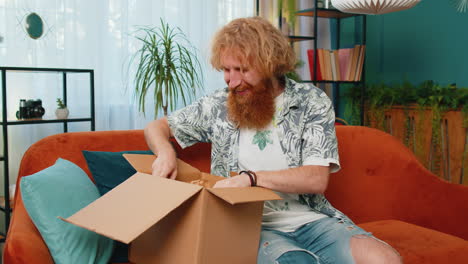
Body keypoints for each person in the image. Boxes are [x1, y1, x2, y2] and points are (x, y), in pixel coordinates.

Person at [144, 16, 401, 264]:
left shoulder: (310, 101)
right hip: (248, 224)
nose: (232, 81)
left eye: (242, 70)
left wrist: (251, 178)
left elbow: (316, 179)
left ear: (270, 65)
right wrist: (166, 152)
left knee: (385, 259)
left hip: (312, 219)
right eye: (226, 70)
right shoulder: (219, 104)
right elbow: (157, 127)